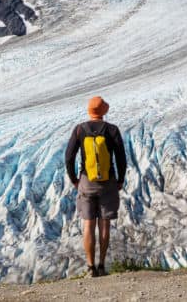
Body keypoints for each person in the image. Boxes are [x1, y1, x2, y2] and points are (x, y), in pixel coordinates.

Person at [64, 95, 127, 277]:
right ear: (103, 111)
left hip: (86, 181)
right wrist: (120, 180)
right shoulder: (112, 130)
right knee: (104, 224)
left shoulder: (79, 130)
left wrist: (74, 179)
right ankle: (101, 265)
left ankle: (90, 267)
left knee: (88, 225)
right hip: (108, 182)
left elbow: (69, 157)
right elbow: (121, 158)